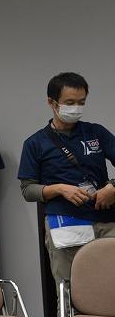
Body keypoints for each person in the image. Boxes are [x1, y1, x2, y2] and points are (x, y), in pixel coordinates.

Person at [18, 72, 115, 303]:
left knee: (110, 288)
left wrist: (112, 188)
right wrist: (60, 189)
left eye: (81, 102)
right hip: (66, 224)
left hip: (106, 219)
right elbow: (28, 190)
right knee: (72, 293)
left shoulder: (96, 133)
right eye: (70, 103)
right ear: (51, 103)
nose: (76, 108)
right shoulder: (35, 143)